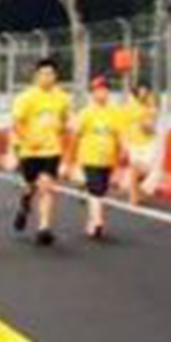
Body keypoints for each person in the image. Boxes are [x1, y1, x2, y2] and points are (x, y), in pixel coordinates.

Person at [11, 59, 73, 247]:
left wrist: (63, 136)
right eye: (43, 73)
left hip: (51, 150)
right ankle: (25, 203)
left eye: (51, 73)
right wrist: (28, 140)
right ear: (36, 76)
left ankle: (44, 228)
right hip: (30, 151)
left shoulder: (63, 98)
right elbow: (17, 123)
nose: (47, 77)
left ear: (56, 76)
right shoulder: (26, 97)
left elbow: (66, 122)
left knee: (46, 187)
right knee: (30, 186)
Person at [71, 77, 129, 239]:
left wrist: (124, 149)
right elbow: (75, 134)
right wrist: (72, 159)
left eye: (104, 90)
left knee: (101, 190)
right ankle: (98, 221)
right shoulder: (86, 113)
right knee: (95, 189)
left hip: (108, 158)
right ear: (93, 93)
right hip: (90, 157)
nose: (101, 93)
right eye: (98, 90)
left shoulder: (116, 113)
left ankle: (92, 220)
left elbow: (121, 133)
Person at [123, 84, 159, 206]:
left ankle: (137, 189)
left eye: (145, 90)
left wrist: (148, 125)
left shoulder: (151, 103)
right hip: (134, 143)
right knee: (134, 169)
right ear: (137, 92)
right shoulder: (130, 105)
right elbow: (124, 124)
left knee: (145, 171)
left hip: (148, 143)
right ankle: (133, 198)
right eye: (141, 90)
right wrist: (124, 143)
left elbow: (152, 124)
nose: (143, 93)